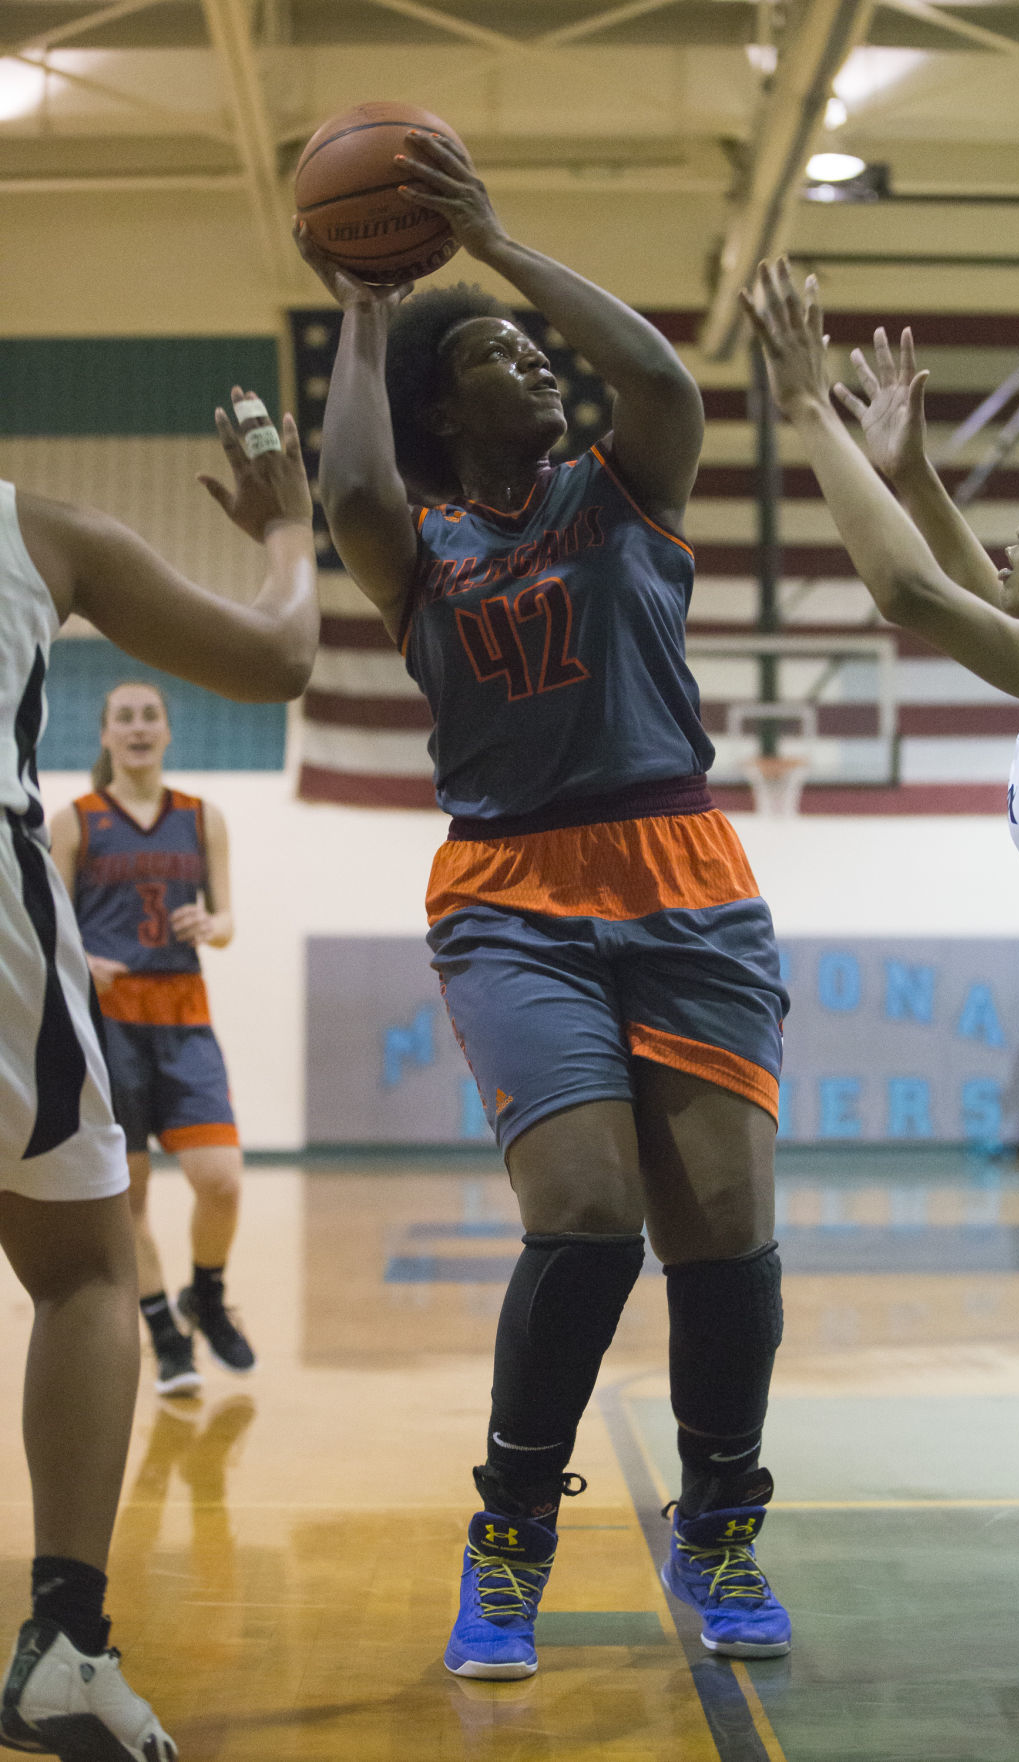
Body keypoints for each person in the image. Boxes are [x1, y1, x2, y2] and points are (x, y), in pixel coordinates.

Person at [298, 129, 791, 1679]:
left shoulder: (622, 487)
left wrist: (497, 244)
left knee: (719, 1220)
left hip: (677, 866)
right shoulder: (422, 551)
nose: (539, 365)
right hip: (512, 887)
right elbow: (351, 484)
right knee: (583, 1211)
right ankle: (507, 1535)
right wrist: (372, 308)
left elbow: (655, 377)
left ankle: (718, 1526)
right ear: (453, 406)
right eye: (506, 356)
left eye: (531, 347)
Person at [741, 254, 1019, 1624]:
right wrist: (906, 465)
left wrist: (803, 407)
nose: (1014, 532)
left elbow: (921, 599)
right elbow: (967, 580)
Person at [0, 386, 316, 1758]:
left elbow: (228, 907)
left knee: (198, 1186)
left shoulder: (198, 816)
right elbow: (275, 656)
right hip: (37, 971)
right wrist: (295, 528)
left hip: (169, 1011)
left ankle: (207, 1297)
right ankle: (63, 1640)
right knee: (81, 1269)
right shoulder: (38, 530)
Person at [49, 682, 254, 1399]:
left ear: (168, 733)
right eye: (124, 718)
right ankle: (165, 1334)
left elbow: (226, 922)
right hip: (108, 1026)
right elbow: (46, 931)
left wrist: (210, 924)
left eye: (149, 717)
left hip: (184, 1014)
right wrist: (82, 961)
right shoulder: (72, 822)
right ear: (105, 735)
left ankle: (207, 1291)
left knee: (220, 1180)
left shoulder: (203, 818)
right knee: (128, 1196)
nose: (137, 728)